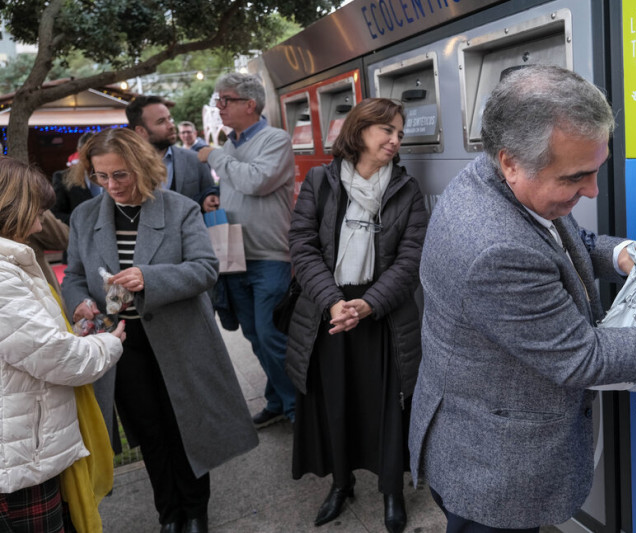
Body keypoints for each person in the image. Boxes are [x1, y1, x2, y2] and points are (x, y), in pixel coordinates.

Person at [408, 65, 636, 532]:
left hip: (481, 431)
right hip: (492, 469)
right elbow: (582, 358)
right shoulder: (493, 247)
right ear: (510, 161)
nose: (592, 190)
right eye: (575, 178)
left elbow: (567, 243)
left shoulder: (499, 177)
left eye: (597, 170)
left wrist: (628, 253)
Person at [62, 128, 259, 533]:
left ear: (141, 166)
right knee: (150, 433)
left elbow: (205, 269)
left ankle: (196, 510)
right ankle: (169, 514)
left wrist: (148, 277)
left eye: (120, 175)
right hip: (123, 346)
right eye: (101, 176)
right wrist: (79, 302)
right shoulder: (84, 217)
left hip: (181, 341)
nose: (111, 186)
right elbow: (75, 276)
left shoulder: (179, 208)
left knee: (186, 427)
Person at [286, 98, 427, 533]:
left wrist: (368, 304)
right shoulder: (321, 182)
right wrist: (334, 302)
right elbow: (302, 246)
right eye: (387, 130)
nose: (394, 140)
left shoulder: (406, 189)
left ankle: (391, 491)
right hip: (329, 311)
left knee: (386, 406)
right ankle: (341, 484)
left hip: (382, 314)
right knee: (335, 402)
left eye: (400, 134)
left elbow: (411, 259)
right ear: (359, 130)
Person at [0, 155, 124, 532]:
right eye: (38, 211)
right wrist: (108, 342)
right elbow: (58, 358)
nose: (41, 222)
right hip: (20, 458)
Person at [197, 72, 298, 428]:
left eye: (225, 100)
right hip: (235, 256)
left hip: (271, 256)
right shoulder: (229, 146)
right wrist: (215, 198)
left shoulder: (276, 139)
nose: (219, 107)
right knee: (255, 335)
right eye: (219, 100)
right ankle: (277, 399)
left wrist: (214, 158)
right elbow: (239, 185)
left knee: (272, 335)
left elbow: (255, 181)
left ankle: (298, 409)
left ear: (249, 104)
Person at [126, 95, 218, 212]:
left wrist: (208, 200)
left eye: (170, 119)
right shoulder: (125, 165)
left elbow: (210, 193)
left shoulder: (195, 160)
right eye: (161, 122)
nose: (171, 125)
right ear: (141, 131)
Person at [52, 131, 102, 225]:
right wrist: (80, 221)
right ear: (79, 151)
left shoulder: (112, 175)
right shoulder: (63, 178)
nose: (91, 157)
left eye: (96, 151)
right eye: (87, 152)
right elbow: (55, 213)